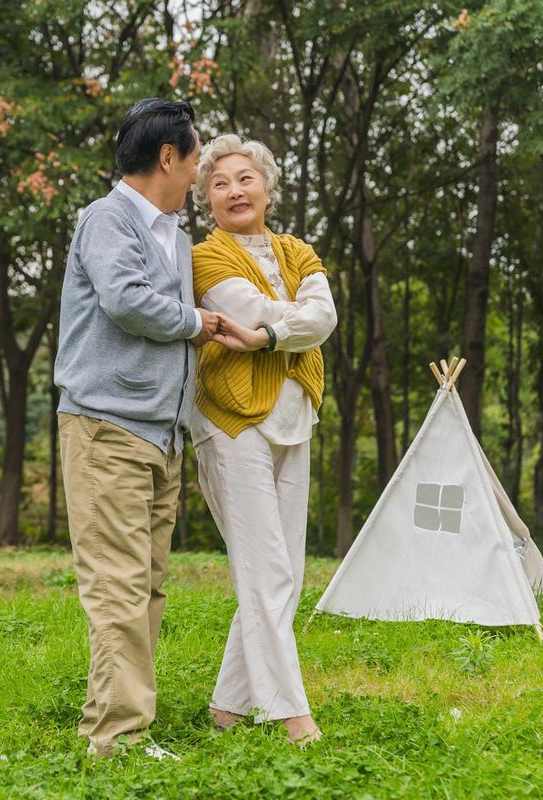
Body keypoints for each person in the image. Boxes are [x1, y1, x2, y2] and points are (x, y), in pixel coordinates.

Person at [53, 98, 222, 760]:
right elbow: (125, 301)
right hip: (106, 426)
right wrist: (195, 322)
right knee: (118, 585)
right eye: (197, 157)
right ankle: (117, 738)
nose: (201, 172)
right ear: (168, 157)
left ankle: (117, 721)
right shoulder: (108, 218)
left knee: (146, 585)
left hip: (161, 434)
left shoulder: (175, 237)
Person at [189, 133, 337, 747]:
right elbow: (248, 312)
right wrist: (287, 321)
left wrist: (276, 333)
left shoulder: (298, 249)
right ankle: (288, 713)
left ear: (268, 187)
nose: (234, 191)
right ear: (206, 201)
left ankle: (228, 706)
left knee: (288, 572)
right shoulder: (205, 258)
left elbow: (323, 317)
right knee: (266, 570)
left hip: (293, 414)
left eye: (244, 178)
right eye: (219, 183)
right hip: (231, 419)